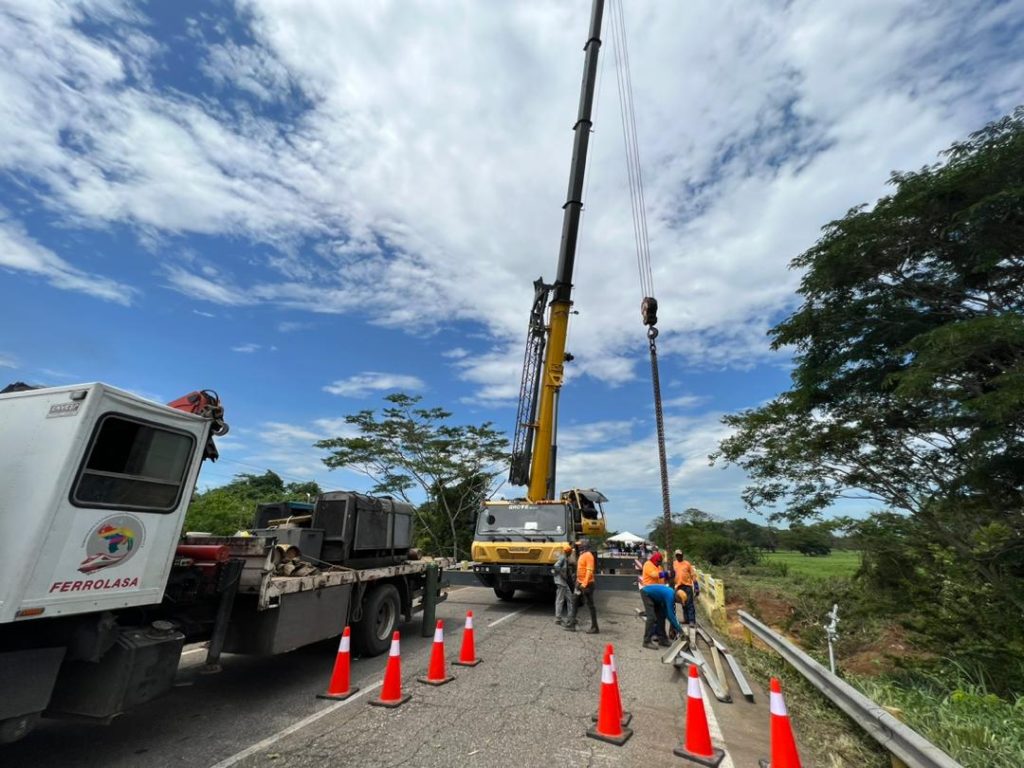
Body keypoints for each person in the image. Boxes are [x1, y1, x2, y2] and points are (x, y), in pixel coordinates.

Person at [565, 539, 598, 634]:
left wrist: (584, 584)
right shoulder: (582, 555)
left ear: (585, 545)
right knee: (574, 601)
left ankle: (594, 627)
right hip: (579, 583)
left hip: (587, 585)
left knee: (590, 605)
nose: (578, 546)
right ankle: (572, 624)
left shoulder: (588, 556)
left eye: (580, 545)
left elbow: (589, 571)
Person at [641, 584, 685, 649]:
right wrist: (680, 630)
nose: (678, 603)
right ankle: (646, 641)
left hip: (656, 598)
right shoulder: (670, 596)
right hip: (647, 594)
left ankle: (662, 639)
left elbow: (667, 613)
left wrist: (677, 628)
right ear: (678, 598)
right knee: (652, 618)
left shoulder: (671, 594)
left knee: (661, 616)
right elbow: (671, 616)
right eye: (680, 602)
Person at [672, 549, 699, 627]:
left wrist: (696, 586)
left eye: (679, 555)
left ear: (682, 555)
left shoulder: (687, 564)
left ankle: (691, 621)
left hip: (687, 586)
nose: (678, 556)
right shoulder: (674, 564)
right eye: (677, 555)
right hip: (678, 586)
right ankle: (686, 619)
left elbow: (693, 575)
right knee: (683, 603)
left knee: (689, 603)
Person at [552, 543, 575, 626]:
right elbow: (556, 566)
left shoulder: (565, 558)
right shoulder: (562, 558)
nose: (571, 553)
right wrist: (563, 574)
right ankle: (558, 619)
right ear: (568, 552)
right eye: (570, 552)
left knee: (570, 599)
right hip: (560, 582)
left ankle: (571, 617)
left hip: (563, 583)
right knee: (560, 600)